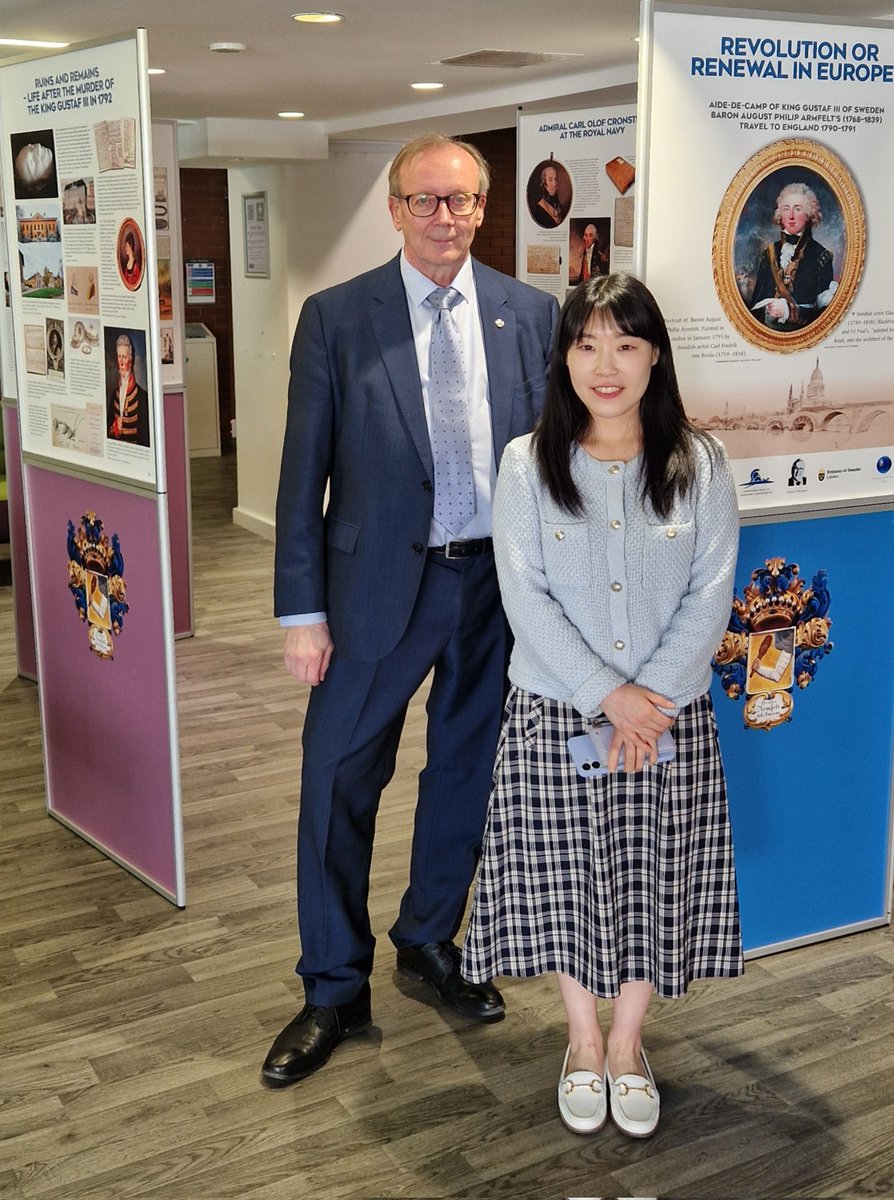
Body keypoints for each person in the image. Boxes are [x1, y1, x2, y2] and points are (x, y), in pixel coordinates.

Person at [262, 133, 559, 1089]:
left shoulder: (530, 314)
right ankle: (332, 986)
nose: (446, 218)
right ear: (395, 208)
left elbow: (555, 467)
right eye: (426, 201)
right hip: (371, 598)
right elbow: (301, 473)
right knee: (336, 781)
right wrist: (300, 613)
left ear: (482, 208)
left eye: (463, 202)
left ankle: (429, 941)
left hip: (493, 593)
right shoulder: (337, 319)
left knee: (465, 778)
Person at [461, 273, 743, 1138]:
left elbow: (712, 592)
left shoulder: (700, 462)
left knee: (652, 883)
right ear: (565, 358)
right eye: (587, 345)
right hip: (557, 718)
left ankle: (628, 1045)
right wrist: (607, 696)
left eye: (625, 344)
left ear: (655, 355)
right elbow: (525, 596)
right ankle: (580, 1042)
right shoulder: (527, 462)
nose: (605, 365)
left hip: (668, 720)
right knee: (567, 884)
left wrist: (645, 702)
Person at [749, 182, 836, 330]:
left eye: (797, 209)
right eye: (786, 209)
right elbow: (754, 306)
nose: (791, 216)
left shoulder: (821, 256)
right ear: (780, 215)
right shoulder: (768, 253)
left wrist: (788, 312)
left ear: (809, 214)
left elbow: (825, 316)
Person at [106, 332, 149, 446]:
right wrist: (114, 428)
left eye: (124, 357)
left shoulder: (142, 397)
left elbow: (145, 437)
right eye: (119, 356)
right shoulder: (114, 395)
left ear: (131, 359)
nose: (121, 361)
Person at [533, 163, 565, 227]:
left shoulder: (559, 206)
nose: (554, 183)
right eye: (550, 180)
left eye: (555, 179)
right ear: (545, 184)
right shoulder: (539, 209)